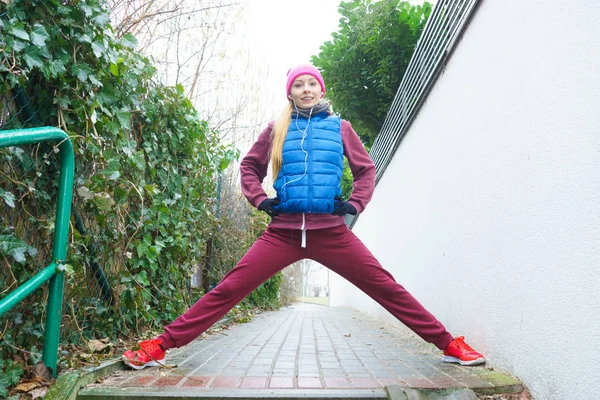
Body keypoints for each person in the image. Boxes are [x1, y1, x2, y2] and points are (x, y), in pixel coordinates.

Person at [122, 64, 485, 369]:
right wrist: (261, 200)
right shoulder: (276, 129)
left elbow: (365, 170)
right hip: (282, 232)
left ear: (320, 89)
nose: (306, 89)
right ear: (290, 92)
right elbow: (249, 167)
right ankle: (161, 345)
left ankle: (448, 344)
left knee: (385, 286)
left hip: (331, 232)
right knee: (229, 288)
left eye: (311, 83)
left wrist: (355, 204)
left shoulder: (340, 127)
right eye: (299, 84)